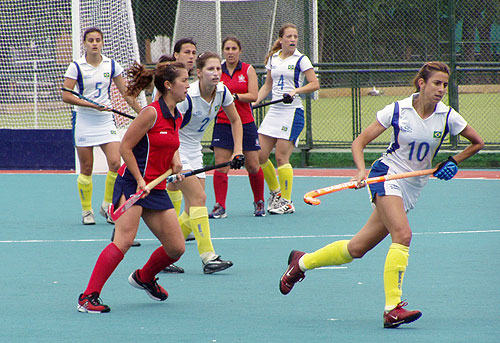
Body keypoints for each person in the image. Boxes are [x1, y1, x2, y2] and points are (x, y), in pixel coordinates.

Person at [278, 62, 484, 328]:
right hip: (386, 174)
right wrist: (361, 170)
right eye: (436, 83)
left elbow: (477, 143)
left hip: (412, 186)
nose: (441, 90)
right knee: (403, 234)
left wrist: (453, 161)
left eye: (445, 85)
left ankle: (301, 262)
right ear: (421, 83)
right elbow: (359, 142)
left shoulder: (447, 116)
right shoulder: (398, 110)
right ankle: (392, 308)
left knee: (357, 248)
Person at [77, 61, 189, 313]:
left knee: (176, 248)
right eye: (184, 80)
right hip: (133, 184)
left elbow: (170, 146)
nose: (188, 85)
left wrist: (176, 163)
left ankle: (144, 277)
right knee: (124, 241)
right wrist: (139, 180)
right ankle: (87, 296)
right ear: (169, 85)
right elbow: (125, 147)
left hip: (155, 188)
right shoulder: (150, 113)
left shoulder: (176, 116)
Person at [165, 51, 245, 274]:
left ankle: (164, 254)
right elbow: (170, 129)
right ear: (198, 73)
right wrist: (176, 161)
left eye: (218, 69)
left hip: (194, 149)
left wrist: (237, 151)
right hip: (176, 147)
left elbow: (235, 120)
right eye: (210, 69)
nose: (216, 73)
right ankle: (208, 257)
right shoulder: (187, 96)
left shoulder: (222, 91)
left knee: (192, 207)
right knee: (199, 198)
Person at [62, 27, 142, 225]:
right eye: (91, 40)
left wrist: (143, 113)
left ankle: (107, 206)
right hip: (84, 120)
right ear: (85, 43)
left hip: (105, 120)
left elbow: (126, 93)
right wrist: (91, 105)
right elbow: (66, 95)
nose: (95, 43)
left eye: (98, 40)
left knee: (116, 163)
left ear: (103, 42)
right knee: (86, 167)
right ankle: (86, 211)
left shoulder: (111, 65)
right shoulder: (76, 66)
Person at [254, 23, 319, 215]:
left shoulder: (302, 59)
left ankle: (287, 201)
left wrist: (296, 90)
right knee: (260, 156)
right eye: (289, 36)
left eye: (295, 37)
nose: (292, 40)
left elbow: (315, 84)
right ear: (281, 39)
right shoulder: (273, 59)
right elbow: (267, 85)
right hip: (274, 111)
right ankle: (276, 192)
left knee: (282, 157)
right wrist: (255, 101)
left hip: (292, 112)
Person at [208, 36, 264, 219]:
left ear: (240, 50)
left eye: (234, 48)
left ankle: (259, 201)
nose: (230, 52)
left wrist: (234, 96)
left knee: (253, 165)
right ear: (223, 51)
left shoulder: (248, 70)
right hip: (223, 123)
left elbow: (254, 95)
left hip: (246, 123)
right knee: (221, 165)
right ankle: (220, 206)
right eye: (227, 48)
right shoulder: (218, 71)